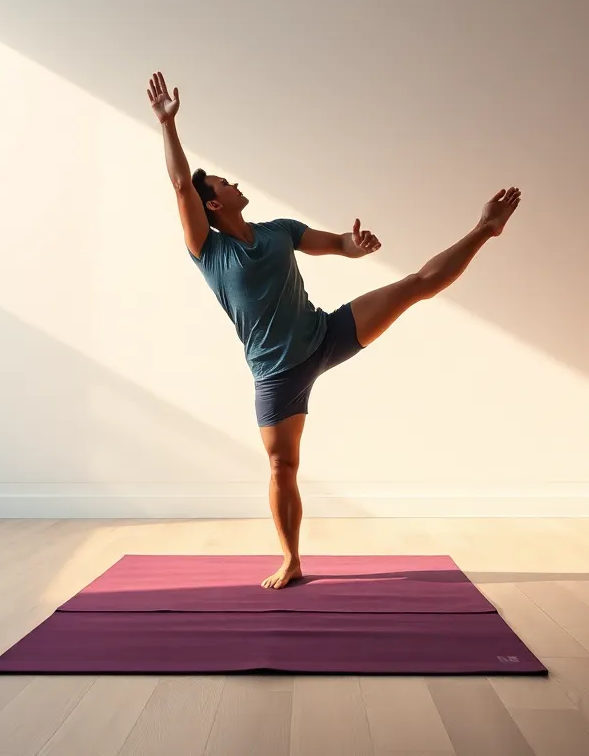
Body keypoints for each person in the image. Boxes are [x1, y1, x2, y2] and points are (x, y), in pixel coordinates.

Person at [147, 71, 520, 588]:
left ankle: (484, 229)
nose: (235, 184)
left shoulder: (279, 232)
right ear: (213, 204)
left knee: (414, 286)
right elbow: (179, 184)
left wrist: (355, 243)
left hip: (325, 335)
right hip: (276, 374)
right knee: (282, 467)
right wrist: (168, 124)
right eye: (224, 185)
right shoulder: (208, 250)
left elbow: (336, 244)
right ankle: (292, 560)